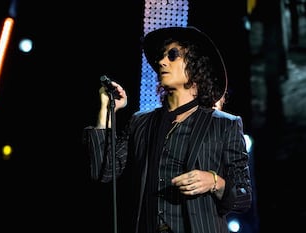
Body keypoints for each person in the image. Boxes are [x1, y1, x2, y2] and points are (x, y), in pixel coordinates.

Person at [83, 26, 253, 233]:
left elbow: (243, 197)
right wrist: (106, 112)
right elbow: (104, 172)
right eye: (162, 56)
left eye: (173, 55)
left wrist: (214, 181)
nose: (162, 61)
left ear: (196, 65)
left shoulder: (225, 124)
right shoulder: (141, 122)